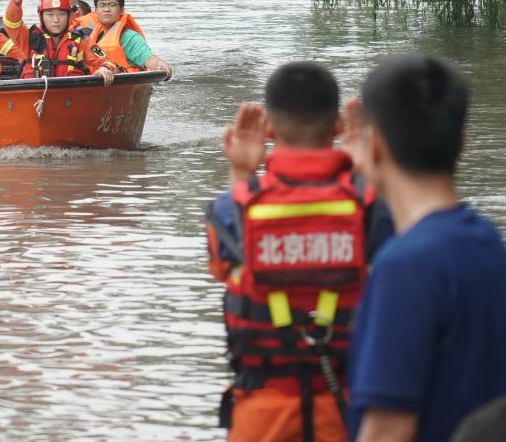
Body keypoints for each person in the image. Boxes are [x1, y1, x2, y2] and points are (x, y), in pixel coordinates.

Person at [205, 62, 394, 442]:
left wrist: (242, 171)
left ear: (270, 129)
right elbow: (400, 253)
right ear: (339, 126)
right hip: (348, 414)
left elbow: (225, 265)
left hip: (259, 417)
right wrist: (368, 175)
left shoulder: (231, 209)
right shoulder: (372, 208)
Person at [342, 53, 506, 442]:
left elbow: (387, 432)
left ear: (375, 145)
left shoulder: (404, 268)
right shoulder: (488, 243)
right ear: (461, 144)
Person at [4, 0, 114, 85]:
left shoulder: (81, 41)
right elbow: (11, 21)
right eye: (50, 14)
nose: (56, 20)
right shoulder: (29, 39)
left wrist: (105, 69)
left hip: (71, 97)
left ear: (69, 16)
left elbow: (106, 61)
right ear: (41, 16)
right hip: (35, 98)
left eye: (61, 14)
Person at [87, 0, 172, 77]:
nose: (106, 9)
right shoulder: (91, 38)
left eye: (112, 5)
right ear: (96, 11)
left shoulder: (130, 38)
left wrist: (161, 65)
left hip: (124, 84)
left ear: (121, 10)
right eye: (102, 5)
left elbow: (149, 59)